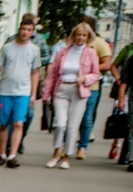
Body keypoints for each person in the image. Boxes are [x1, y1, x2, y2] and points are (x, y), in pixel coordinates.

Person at [43, 23, 102, 169]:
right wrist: (46, 95)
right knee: (60, 124)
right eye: (78, 35)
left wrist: (85, 79)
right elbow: (51, 75)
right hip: (61, 89)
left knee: (72, 126)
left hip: (79, 90)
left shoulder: (91, 53)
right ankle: (56, 153)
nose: (81, 38)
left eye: (84, 35)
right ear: (73, 36)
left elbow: (96, 74)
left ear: (88, 37)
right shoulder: (62, 52)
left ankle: (66, 157)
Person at [0, 15, 41, 167]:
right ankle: (3, 154)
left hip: (23, 92)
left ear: (32, 32)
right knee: (4, 124)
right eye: (23, 29)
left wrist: (33, 94)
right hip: (6, 91)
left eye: (29, 30)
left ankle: (12, 156)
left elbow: (35, 72)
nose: (25, 32)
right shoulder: (7, 48)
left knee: (19, 123)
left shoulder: (34, 50)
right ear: (19, 30)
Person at [75, 16, 113, 159]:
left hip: (91, 86)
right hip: (73, 85)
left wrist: (90, 70)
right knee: (69, 118)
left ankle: (82, 146)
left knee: (87, 117)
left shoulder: (99, 43)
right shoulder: (74, 42)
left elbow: (107, 64)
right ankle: (65, 145)